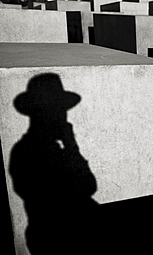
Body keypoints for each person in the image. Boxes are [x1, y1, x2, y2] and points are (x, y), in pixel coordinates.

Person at [9, 73, 99, 255]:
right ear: (41, 113)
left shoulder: (58, 149)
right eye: (57, 109)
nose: (63, 115)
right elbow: (81, 190)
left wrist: (70, 145)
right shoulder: (25, 152)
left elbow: (89, 185)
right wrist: (70, 145)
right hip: (54, 241)